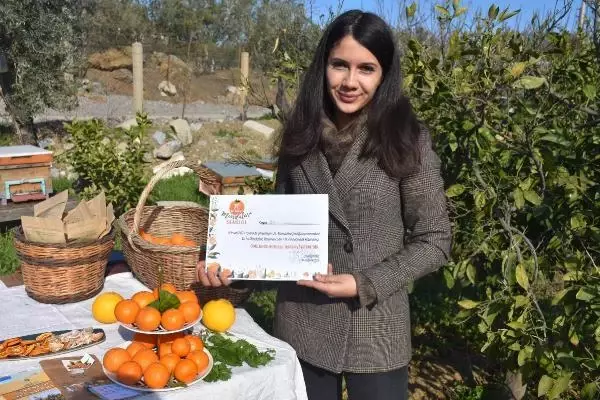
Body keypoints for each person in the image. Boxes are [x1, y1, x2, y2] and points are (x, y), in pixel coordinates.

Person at [197, 10, 451, 400]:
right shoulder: (301, 134)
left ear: (384, 75)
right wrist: (235, 267)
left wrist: (363, 282)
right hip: (303, 322)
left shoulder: (407, 139)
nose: (351, 81)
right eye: (340, 66)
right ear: (324, 67)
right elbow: (279, 236)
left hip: (374, 325)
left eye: (366, 68)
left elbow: (434, 239)